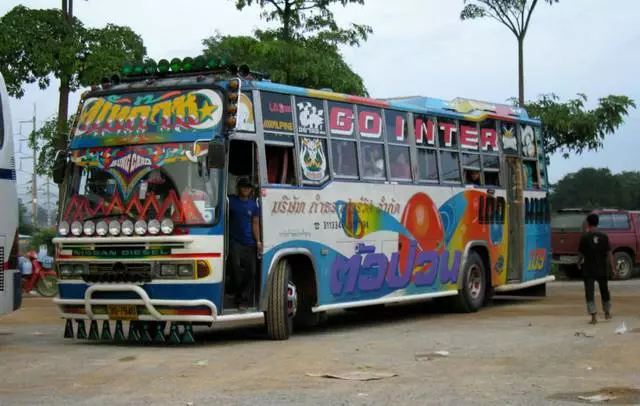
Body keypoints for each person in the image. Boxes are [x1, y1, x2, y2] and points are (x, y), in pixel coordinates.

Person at [228, 177, 262, 311]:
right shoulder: (231, 202)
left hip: (250, 243)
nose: (246, 189)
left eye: (248, 187)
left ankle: (243, 300)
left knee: (251, 272)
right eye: (243, 187)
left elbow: (255, 223)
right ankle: (237, 295)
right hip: (235, 241)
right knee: (235, 268)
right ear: (238, 188)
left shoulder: (254, 205)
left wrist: (258, 241)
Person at [577, 213, 616, 324]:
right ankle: (607, 313)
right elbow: (609, 254)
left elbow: (580, 254)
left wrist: (578, 263)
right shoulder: (604, 237)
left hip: (588, 269)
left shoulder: (584, 237)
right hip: (602, 268)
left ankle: (593, 317)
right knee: (604, 290)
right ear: (597, 222)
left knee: (589, 292)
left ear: (588, 223)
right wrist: (613, 268)